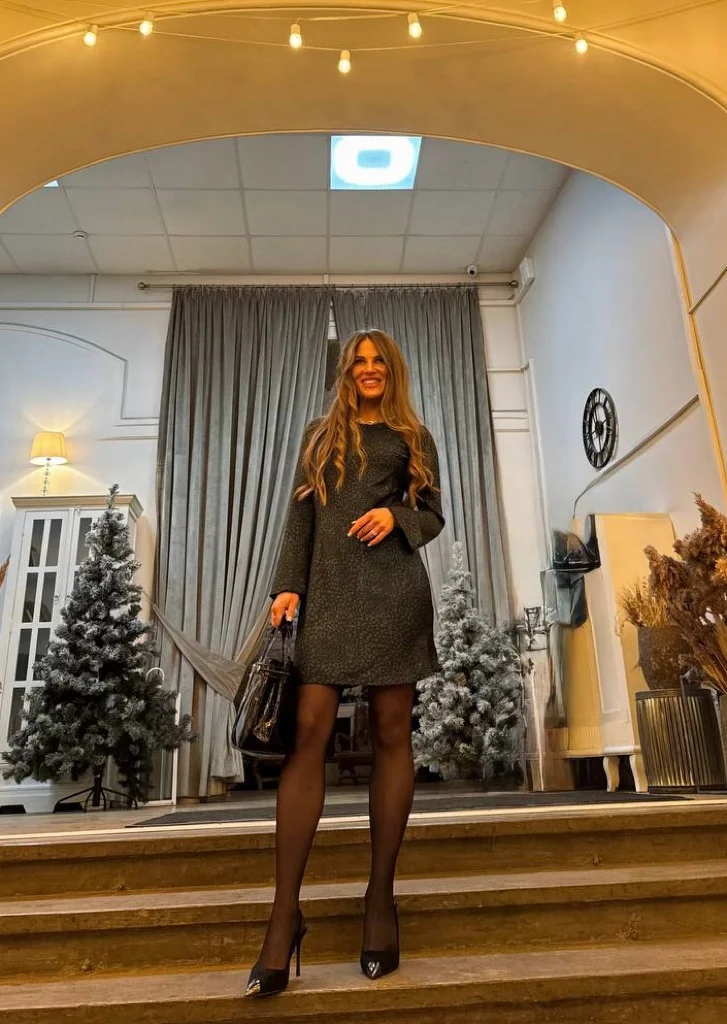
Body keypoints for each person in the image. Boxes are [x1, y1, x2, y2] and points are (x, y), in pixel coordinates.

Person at [245, 328, 445, 999]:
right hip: (328, 593)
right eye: (358, 362)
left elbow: (432, 515)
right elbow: (298, 518)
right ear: (345, 373)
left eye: (377, 361)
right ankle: (283, 915)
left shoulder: (412, 436)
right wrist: (287, 585)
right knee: (308, 732)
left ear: (392, 370)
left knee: (391, 735)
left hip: (393, 594)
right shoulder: (319, 435)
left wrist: (396, 517)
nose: (368, 369)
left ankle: (379, 900)